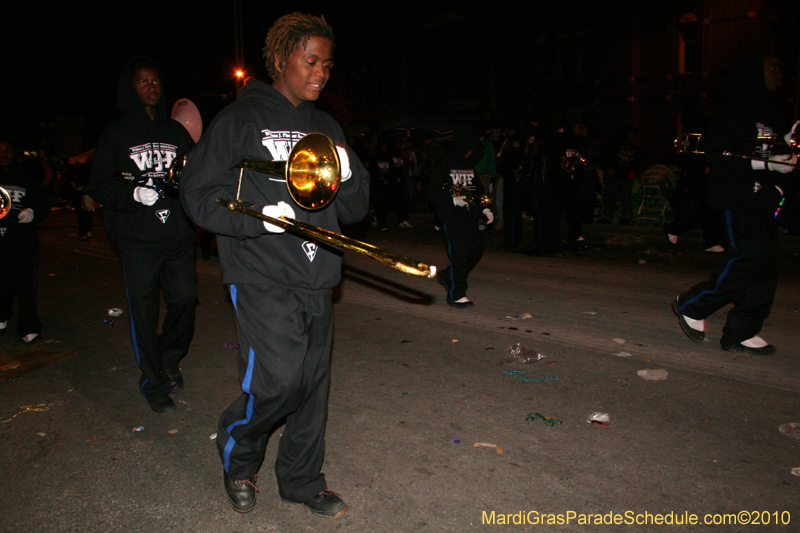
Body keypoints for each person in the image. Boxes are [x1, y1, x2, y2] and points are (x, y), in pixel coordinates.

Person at [179, 12, 369, 519]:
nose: (321, 73)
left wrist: (349, 176)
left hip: (319, 273)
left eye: (327, 64)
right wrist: (256, 220)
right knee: (278, 381)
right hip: (260, 272)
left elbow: (355, 208)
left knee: (311, 387)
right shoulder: (239, 121)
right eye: (311, 61)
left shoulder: (326, 126)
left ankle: (303, 479)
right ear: (282, 58)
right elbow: (197, 195)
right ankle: (238, 457)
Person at [87, 56, 197, 413]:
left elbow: (194, 176)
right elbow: (98, 185)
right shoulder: (116, 133)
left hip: (176, 235)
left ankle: (168, 357)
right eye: (142, 82)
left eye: (155, 81)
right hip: (136, 241)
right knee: (144, 313)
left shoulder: (176, 133)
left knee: (184, 301)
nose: (151, 87)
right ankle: (153, 380)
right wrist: (131, 194)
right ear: (129, 87)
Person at [672, 52, 795, 355]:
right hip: (738, 197)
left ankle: (742, 330)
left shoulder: (772, 113)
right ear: (755, 73)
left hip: (764, 199)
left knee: (766, 265)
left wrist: (787, 153)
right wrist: (766, 166)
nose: (779, 73)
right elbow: (716, 155)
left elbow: (774, 154)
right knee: (749, 258)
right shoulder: (736, 113)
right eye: (773, 67)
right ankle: (692, 305)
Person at [428, 126, 492, 308]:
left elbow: (476, 191)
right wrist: (443, 213)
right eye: (471, 146)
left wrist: (484, 209)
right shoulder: (446, 163)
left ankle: (447, 275)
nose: (472, 151)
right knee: (459, 254)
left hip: (469, 216)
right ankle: (457, 294)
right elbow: (434, 189)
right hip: (452, 217)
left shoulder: (469, 165)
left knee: (476, 250)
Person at [0, 140, 51, 343]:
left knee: (26, 287)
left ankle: (29, 328)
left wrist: (32, 212)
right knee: (1, 283)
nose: (4, 155)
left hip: (23, 242)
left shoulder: (25, 178)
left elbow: (42, 203)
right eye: (0, 151)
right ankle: (2, 315)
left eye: (7, 150)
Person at [599, 125, 640, 224]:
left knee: (626, 196)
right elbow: (606, 155)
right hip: (613, 173)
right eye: (632, 135)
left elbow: (637, 161)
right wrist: (610, 167)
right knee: (611, 196)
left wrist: (632, 170)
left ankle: (627, 218)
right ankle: (608, 217)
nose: (634, 138)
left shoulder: (633, 147)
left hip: (626, 175)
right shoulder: (614, 143)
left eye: (635, 135)